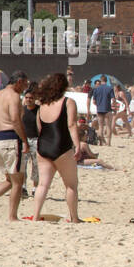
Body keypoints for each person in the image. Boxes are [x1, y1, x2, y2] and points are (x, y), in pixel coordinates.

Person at [30, 73, 82, 223]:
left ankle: (35, 216)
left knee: (42, 184)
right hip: (62, 147)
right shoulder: (68, 102)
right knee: (71, 185)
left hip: (43, 146)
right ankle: (74, 218)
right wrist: (77, 145)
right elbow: (71, 125)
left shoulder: (42, 105)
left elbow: (39, 128)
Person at [0, 71, 30, 220]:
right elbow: (15, 120)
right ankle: (12, 216)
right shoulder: (14, 96)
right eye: (25, 83)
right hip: (11, 138)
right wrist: (25, 141)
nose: (26, 87)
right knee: (18, 181)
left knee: (10, 179)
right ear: (19, 82)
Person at [91, 76, 115, 146]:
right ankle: (108, 143)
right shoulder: (110, 88)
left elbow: (94, 101)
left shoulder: (96, 89)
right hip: (107, 109)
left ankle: (101, 143)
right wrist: (113, 105)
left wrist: (98, 105)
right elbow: (113, 99)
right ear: (106, 80)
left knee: (100, 127)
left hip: (99, 109)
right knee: (108, 126)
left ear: (100, 80)